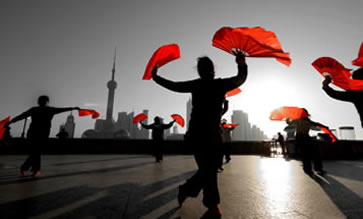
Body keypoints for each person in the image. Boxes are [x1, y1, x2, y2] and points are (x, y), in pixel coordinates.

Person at [151, 52, 247, 218]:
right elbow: (240, 78)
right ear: (211, 69)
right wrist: (241, 63)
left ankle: (187, 189)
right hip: (200, 134)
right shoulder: (216, 84)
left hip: (208, 134)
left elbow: (173, 85)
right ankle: (212, 205)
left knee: (209, 169)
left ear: (202, 70)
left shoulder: (208, 85)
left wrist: (156, 77)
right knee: (209, 170)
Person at [4, 95, 79, 177]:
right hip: (42, 133)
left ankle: (27, 168)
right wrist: (73, 108)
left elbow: (21, 116)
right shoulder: (49, 109)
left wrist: (11, 122)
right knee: (36, 151)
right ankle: (33, 169)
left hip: (33, 133)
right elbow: (62, 110)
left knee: (35, 151)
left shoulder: (35, 109)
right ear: (47, 102)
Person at [287, 109, 328, 176]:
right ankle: (308, 170)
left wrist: (324, 127)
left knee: (315, 151)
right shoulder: (297, 120)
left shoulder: (308, 121)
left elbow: (316, 124)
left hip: (306, 136)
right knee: (305, 154)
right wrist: (288, 120)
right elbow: (289, 123)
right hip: (300, 137)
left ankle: (318, 168)